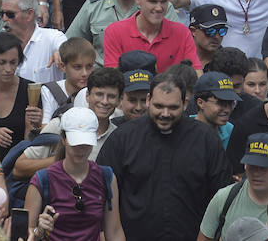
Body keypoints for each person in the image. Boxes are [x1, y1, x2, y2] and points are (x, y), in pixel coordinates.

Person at [95, 75, 231, 241]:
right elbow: (101, 193)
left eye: (173, 107)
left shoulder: (206, 140)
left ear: (186, 104)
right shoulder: (123, 139)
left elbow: (222, 196)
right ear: (148, 100)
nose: (165, 114)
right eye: (159, 106)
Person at [25, 108, 125, 241]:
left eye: (86, 143)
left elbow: (114, 231)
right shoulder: (42, 179)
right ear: (63, 138)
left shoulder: (107, 177)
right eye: (75, 143)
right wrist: (38, 231)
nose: (81, 149)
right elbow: (25, 231)